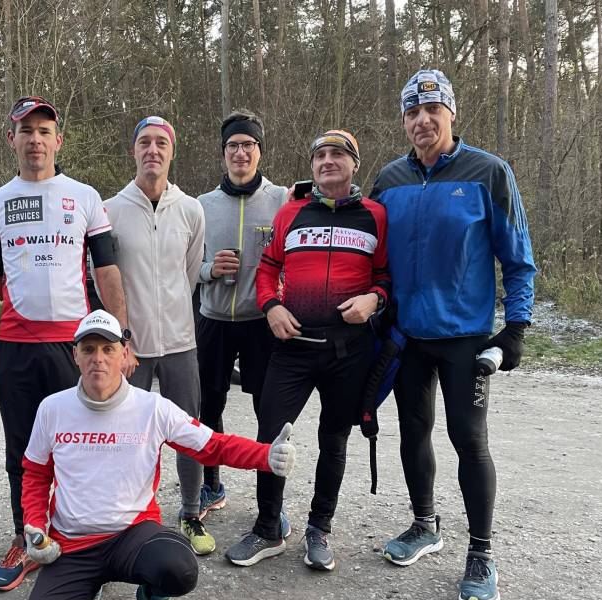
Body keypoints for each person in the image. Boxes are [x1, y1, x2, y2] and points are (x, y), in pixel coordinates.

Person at [16, 310, 297, 600]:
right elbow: (36, 474)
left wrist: (265, 456)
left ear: (124, 354)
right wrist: (36, 526)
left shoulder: (152, 408)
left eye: (107, 349)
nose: (98, 358)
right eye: (88, 349)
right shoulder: (53, 409)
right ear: (75, 356)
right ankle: (83, 590)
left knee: (179, 568)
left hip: (131, 536)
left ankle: (153, 599)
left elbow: (212, 445)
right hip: (72, 546)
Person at [371, 70, 537, 600]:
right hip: (407, 337)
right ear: (404, 121)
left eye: (432, 110)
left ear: (451, 114)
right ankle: (425, 525)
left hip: (465, 338)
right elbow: (367, 248)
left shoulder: (488, 171)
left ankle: (481, 553)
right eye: (412, 112)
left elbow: (518, 259)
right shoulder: (390, 179)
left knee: (469, 440)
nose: (422, 121)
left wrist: (516, 328)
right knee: (413, 433)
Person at [0, 96, 132, 591]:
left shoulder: (84, 196)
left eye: (44, 131)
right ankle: (28, 536)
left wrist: (122, 339)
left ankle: (86, 538)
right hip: (16, 346)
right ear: (11, 139)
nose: (35, 139)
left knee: (83, 445)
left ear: (58, 140)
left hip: (75, 347)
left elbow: (107, 270)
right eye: (26, 131)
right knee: (23, 451)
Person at [224, 130, 390, 569]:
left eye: (338, 154)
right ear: (312, 166)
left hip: (347, 351)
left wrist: (374, 299)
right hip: (292, 347)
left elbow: (386, 276)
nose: (328, 161)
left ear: (354, 164)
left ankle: (319, 528)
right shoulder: (291, 212)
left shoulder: (375, 215)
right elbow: (267, 269)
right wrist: (271, 306)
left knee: (333, 440)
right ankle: (267, 529)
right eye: (320, 156)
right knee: (269, 437)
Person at [103, 116, 213, 554]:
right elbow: (104, 277)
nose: (153, 150)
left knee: (188, 431)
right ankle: (128, 517)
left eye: (161, 143)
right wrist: (122, 337)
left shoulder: (190, 209)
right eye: (144, 142)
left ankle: (190, 512)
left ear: (172, 151)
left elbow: (189, 272)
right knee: (127, 435)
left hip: (181, 342)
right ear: (133, 150)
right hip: (131, 347)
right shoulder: (110, 210)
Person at [196, 109, 288, 522]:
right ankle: (211, 485)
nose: (240, 153)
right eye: (232, 145)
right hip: (213, 319)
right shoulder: (201, 205)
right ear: (223, 152)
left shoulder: (282, 200)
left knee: (268, 411)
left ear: (260, 150)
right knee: (208, 408)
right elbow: (186, 265)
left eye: (248, 145)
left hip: (261, 322)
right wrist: (208, 270)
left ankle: (270, 504)